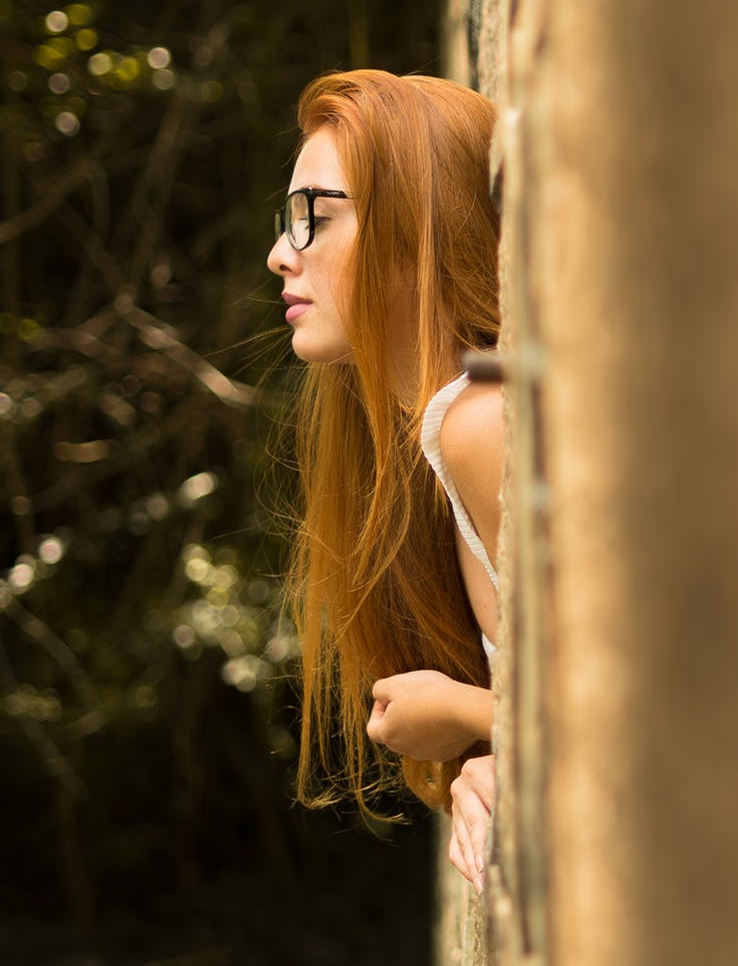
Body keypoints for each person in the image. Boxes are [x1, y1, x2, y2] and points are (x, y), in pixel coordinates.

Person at [266, 69, 504, 892]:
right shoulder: (449, 433)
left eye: (313, 219)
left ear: (418, 225)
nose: (278, 255)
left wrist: (483, 720)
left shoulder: (486, 422)